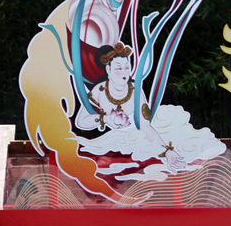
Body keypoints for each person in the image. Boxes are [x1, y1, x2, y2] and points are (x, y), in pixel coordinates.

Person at [76, 43, 186, 172]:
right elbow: (81, 121)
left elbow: (145, 126)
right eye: (118, 68)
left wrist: (167, 152)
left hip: (138, 143)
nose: (124, 73)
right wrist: (105, 119)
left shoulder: (135, 92)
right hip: (113, 146)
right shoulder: (99, 90)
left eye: (127, 67)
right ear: (108, 70)